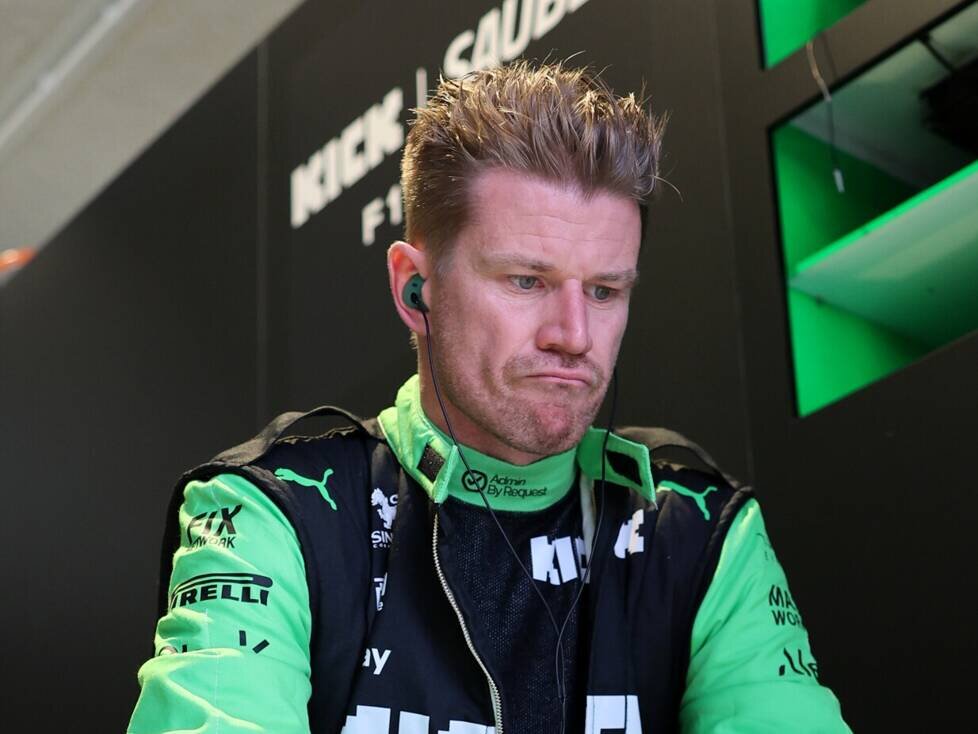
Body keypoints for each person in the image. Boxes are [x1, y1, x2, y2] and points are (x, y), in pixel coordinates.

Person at [128, 61, 851, 734]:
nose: (574, 335)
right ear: (416, 289)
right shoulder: (271, 513)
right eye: (526, 281)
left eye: (604, 291)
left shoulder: (699, 532)